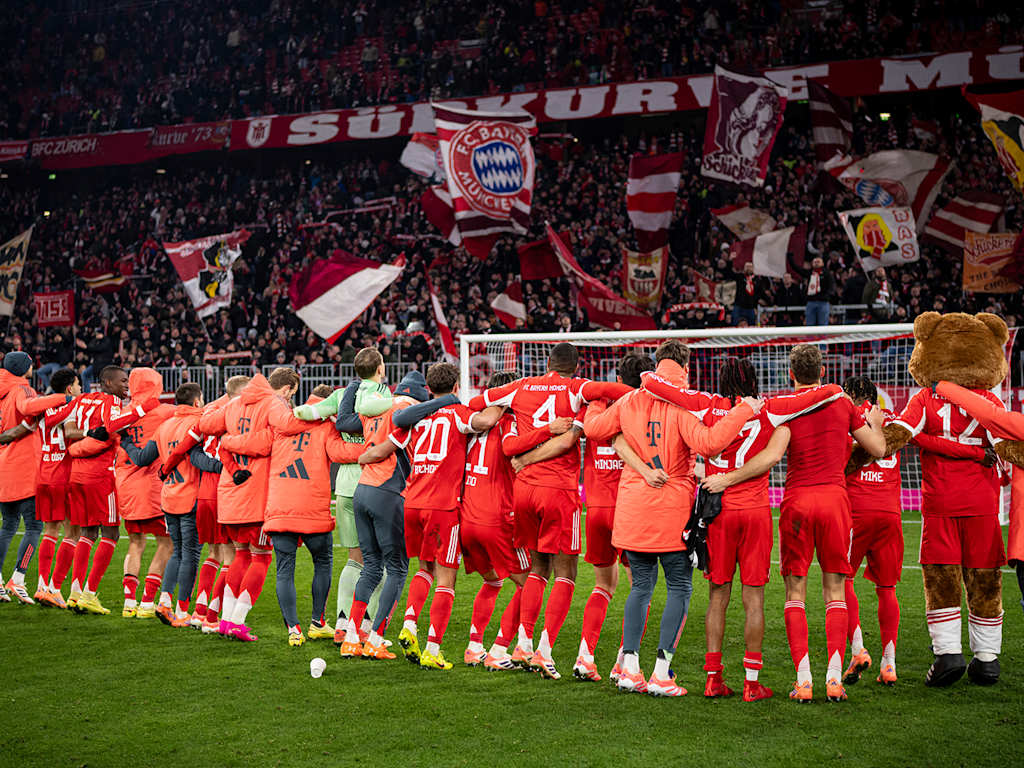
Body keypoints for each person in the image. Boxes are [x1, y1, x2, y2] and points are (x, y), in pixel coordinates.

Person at [701, 345, 886, 702]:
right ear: (822, 369)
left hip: (796, 503)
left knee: (793, 592)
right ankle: (833, 676)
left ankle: (803, 680)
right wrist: (874, 423)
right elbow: (877, 448)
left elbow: (771, 454)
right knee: (835, 590)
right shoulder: (841, 401)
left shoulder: (783, 409)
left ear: (790, 373)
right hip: (834, 501)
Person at [584, 340, 762, 696]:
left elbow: (594, 430)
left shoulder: (629, 401)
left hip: (634, 508)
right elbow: (711, 443)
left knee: (639, 587)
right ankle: (661, 673)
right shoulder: (682, 406)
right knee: (679, 587)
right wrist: (743, 411)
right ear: (685, 368)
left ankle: (629, 667)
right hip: (672, 510)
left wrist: (593, 402)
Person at [468, 342, 631, 679]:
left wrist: (503, 410)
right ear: (577, 366)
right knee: (566, 573)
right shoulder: (577, 388)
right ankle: (543, 650)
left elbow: (476, 403)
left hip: (523, 490)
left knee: (537, 570)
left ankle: (522, 645)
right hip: (558, 491)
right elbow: (614, 390)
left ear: (547, 362)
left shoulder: (521, 385)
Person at [363, 362, 502, 669]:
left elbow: (383, 449)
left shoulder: (418, 419)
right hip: (442, 506)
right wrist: (504, 399)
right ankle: (432, 649)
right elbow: (487, 421)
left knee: (424, 568)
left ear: (428, 388)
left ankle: (410, 624)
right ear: (455, 387)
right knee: (446, 579)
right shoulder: (459, 414)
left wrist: (361, 457)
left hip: (412, 503)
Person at [334, 350, 453, 659]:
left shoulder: (375, 408)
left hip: (362, 489)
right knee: (397, 569)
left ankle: (351, 636)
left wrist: (352, 386)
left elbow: (345, 421)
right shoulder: (409, 409)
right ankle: (375, 638)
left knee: (370, 566)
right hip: (389, 492)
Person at [258, 384, 364, 646]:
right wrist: (376, 447)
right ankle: (317, 622)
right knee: (323, 561)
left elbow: (257, 446)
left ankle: (294, 629)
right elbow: (342, 452)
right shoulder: (326, 426)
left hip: (281, 507)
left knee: (284, 570)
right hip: (312, 508)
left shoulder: (283, 423)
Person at [292, 372, 393, 642]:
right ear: (380, 369)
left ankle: (341, 622)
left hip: (346, 488)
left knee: (354, 559)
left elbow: (308, 413)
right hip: (376, 484)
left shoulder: (339, 397)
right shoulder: (383, 396)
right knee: (379, 562)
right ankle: (366, 624)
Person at [200, 368, 300, 641]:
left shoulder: (232, 405)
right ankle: (237, 621)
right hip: (258, 494)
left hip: (230, 493)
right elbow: (271, 441)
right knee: (261, 557)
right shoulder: (272, 405)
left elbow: (205, 426)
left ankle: (226, 621)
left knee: (240, 556)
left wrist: (229, 440)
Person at [65, 365, 159, 614]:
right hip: (101, 475)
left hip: (76, 473)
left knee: (87, 532)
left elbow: (69, 431)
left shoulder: (82, 400)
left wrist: (77, 447)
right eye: (122, 381)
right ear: (107, 382)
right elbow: (111, 432)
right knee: (111, 534)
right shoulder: (114, 404)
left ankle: (75, 593)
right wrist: (140, 410)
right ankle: (90, 593)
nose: (126, 385)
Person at [159, 376, 249, 631]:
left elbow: (189, 449)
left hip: (201, 494)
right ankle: (212, 617)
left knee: (212, 553)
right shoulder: (238, 417)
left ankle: (196, 611)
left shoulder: (209, 414)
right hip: (224, 492)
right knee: (235, 556)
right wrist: (224, 467)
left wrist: (165, 469)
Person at [456, 370, 532, 670]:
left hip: (467, 518)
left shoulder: (471, 423)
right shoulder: (512, 424)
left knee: (492, 581)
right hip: (496, 519)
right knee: (530, 582)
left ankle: (475, 647)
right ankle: (501, 649)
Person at [122, 382, 215, 627]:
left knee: (178, 550)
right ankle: (182, 610)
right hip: (191, 496)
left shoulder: (165, 426)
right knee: (191, 554)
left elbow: (142, 459)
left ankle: (164, 600)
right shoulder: (201, 423)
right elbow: (199, 458)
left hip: (168, 497)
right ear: (197, 402)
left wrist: (125, 442)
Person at [0, 351, 72, 603]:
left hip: (3, 467)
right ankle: (18, 578)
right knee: (34, 527)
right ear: (23, 368)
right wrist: (63, 397)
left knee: (8, 527)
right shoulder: (22, 389)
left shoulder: (3, 390)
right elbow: (28, 407)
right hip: (25, 468)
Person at [804, 256, 834, 326]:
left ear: (823, 263)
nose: (816, 263)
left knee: (823, 326)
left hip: (823, 302)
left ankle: (823, 337)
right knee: (809, 326)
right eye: (815, 262)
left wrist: (827, 296)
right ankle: (810, 337)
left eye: (818, 262)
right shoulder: (809, 273)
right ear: (812, 264)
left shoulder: (827, 273)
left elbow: (832, 285)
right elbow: (798, 269)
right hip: (811, 302)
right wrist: (790, 258)